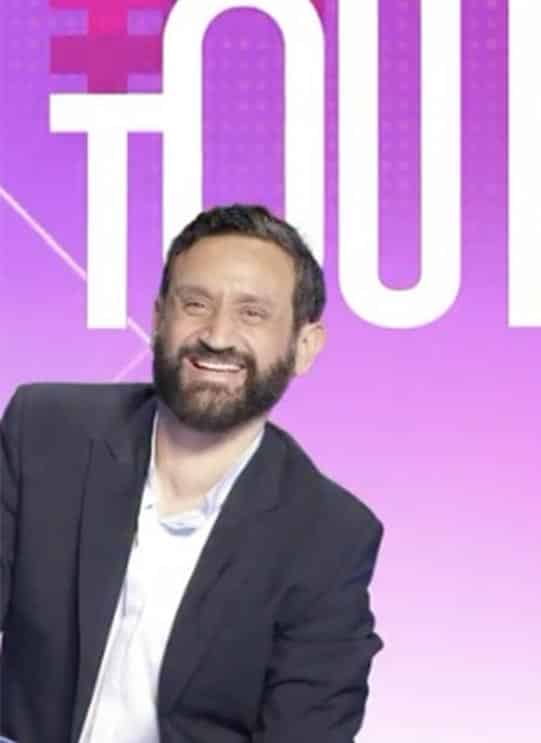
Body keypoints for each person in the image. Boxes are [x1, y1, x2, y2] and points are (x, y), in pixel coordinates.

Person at [0, 205, 384, 742]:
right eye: (196, 304)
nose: (218, 335)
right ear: (160, 318)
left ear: (304, 347)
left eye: (253, 313)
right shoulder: (46, 431)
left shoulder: (330, 536)